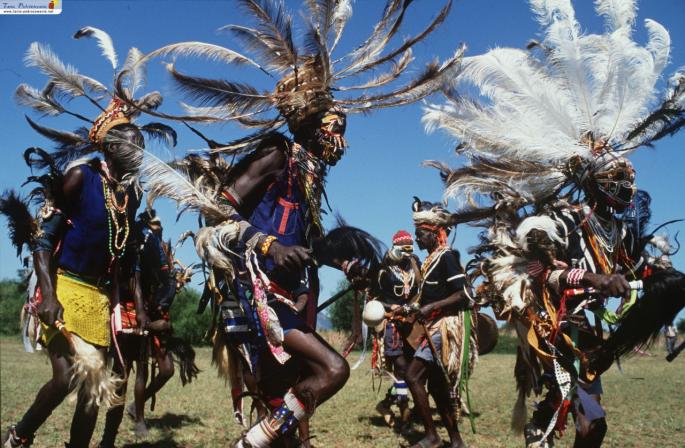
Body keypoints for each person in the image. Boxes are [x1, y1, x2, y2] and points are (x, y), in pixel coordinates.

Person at [132, 1, 461, 446]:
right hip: (257, 294)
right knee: (333, 369)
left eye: (343, 128)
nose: (339, 139)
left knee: (283, 397)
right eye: (332, 126)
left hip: (288, 294)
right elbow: (218, 209)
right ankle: (253, 441)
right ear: (307, 123)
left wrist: (348, 268)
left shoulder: (308, 175)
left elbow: (310, 242)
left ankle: (270, 438)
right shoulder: (276, 155)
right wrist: (268, 247)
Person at [422, 1, 685, 447]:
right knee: (589, 422)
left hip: (593, 338)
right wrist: (596, 278)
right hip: (555, 332)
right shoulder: (563, 219)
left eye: (628, 178)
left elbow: (632, 269)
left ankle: (538, 427)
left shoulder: (621, 229)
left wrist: (656, 282)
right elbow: (541, 271)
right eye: (616, 179)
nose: (625, 186)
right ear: (595, 183)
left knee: (584, 422)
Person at [3, 27, 175, 448]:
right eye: (131, 144)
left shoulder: (131, 195)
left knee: (94, 393)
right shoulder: (81, 178)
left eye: (141, 144)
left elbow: (124, 254)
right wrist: (48, 295)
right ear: (109, 146)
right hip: (61, 287)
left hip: (100, 300)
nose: (139, 150)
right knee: (67, 377)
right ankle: (18, 437)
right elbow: (44, 242)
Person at [402, 198, 476, 448]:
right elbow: (428, 296)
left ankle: (433, 436)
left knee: (412, 376)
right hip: (432, 327)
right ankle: (455, 440)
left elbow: (464, 294)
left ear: (435, 233)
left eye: (421, 234)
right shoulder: (430, 260)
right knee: (435, 386)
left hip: (444, 327)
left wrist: (432, 307)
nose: (418, 239)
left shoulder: (447, 257)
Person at [371, 230, 421, 433]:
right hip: (392, 324)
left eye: (411, 248)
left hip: (413, 324)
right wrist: (389, 308)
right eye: (404, 248)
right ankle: (406, 416)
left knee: (412, 371)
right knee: (403, 371)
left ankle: (385, 404)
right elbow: (373, 297)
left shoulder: (415, 266)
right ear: (395, 248)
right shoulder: (384, 270)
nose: (408, 252)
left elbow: (420, 292)